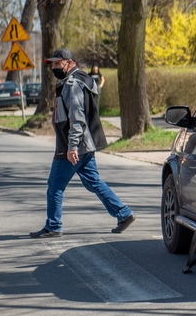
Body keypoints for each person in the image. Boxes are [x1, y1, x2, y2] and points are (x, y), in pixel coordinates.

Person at [30, 49, 135, 238]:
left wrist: (71, 146)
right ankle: (124, 213)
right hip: (85, 143)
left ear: (69, 63)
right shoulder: (82, 79)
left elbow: (77, 118)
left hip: (73, 145)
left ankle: (53, 226)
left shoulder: (72, 84)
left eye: (57, 63)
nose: (53, 67)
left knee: (55, 185)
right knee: (93, 182)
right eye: (52, 64)